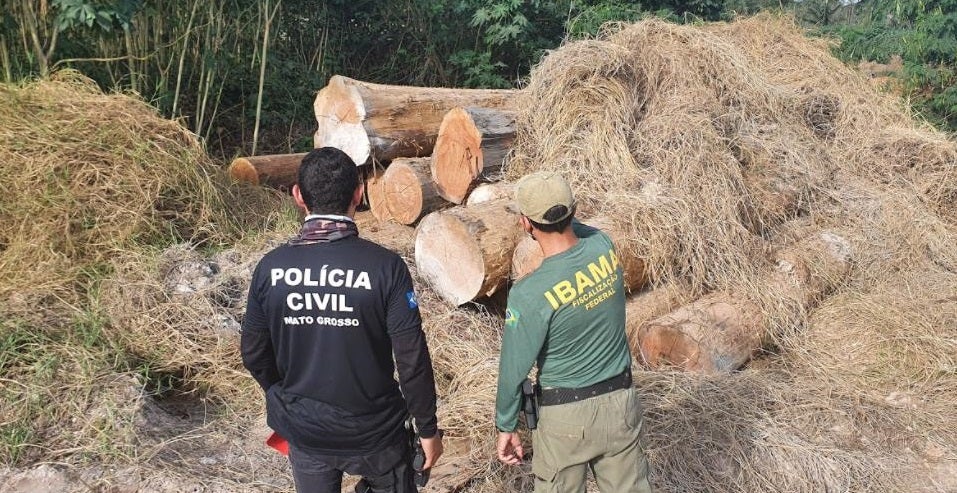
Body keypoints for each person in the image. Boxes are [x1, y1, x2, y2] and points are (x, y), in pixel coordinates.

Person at [241, 147, 443, 493]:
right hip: (377, 434)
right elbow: (411, 359)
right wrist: (427, 429)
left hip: (306, 432)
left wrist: (285, 397)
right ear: (359, 193)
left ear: (298, 196)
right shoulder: (385, 267)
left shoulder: (270, 268)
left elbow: (254, 352)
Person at [494, 172, 652, 493]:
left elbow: (513, 370)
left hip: (565, 417)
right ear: (574, 210)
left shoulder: (529, 294)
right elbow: (579, 235)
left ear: (526, 224)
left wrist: (506, 424)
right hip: (620, 404)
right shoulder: (603, 247)